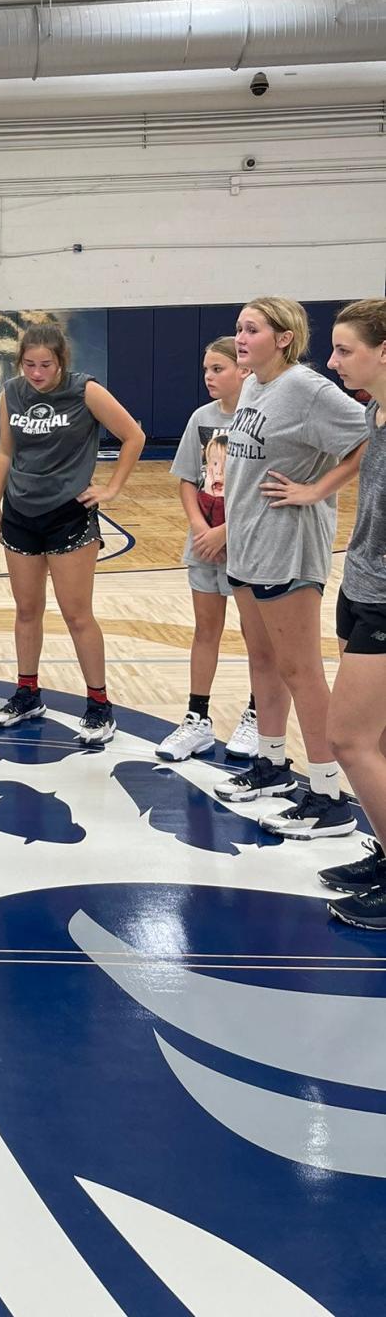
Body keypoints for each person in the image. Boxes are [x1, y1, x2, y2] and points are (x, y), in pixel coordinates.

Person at [214, 296, 368, 839]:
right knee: (263, 661)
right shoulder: (255, 384)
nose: (240, 338)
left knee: (302, 669)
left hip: (288, 546)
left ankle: (328, 792)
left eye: (251, 329)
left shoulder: (308, 389)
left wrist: (317, 489)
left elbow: (371, 437)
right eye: (238, 328)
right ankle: (272, 764)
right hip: (250, 547)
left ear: (284, 338)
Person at [0, 323, 146, 746]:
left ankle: (98, 705)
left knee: (77, 615)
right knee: (26, 611)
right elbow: (5, 451)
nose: (36, 373)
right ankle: (27, 693)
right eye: (29, 364)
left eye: (46, 365)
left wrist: (112, 488)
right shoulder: (12, 393)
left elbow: (134, 435)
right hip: (20, 512)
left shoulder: (85, 391)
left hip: (68, 517)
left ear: (62, 362)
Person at [159, 336, 260, 762]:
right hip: (203, 542)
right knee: (205, 631)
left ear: (244, 371)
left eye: (217, 369)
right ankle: (197, 719)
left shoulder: (259, 419)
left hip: (249, 544)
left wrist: (228, 532)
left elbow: (262, 490)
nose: (208, 377)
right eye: (205, 370)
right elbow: (187, 479)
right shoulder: (201, 418)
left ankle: (259, 715)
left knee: (259, 639)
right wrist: (202, 528)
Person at [319, 300, 386, 923]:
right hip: (360, 585)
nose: (333, 360)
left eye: (345, 350)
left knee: (348, 739)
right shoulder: (373, 410)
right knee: (379, 742)